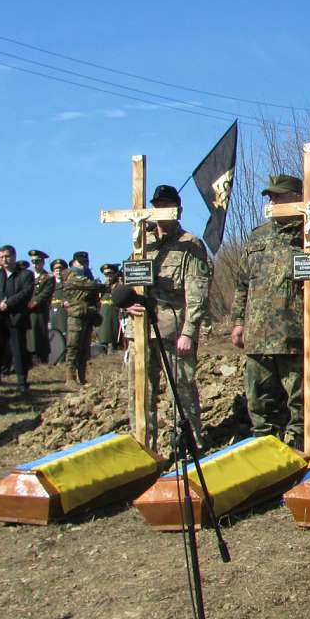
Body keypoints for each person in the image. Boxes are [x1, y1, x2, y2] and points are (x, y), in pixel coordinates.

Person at [230, 174, 310, 448]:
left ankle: (297, 448)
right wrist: (238, 322)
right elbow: (243, 282)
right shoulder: (257, 236)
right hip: (257, 334)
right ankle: (263, 447)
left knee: (300, 398)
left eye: (279, 196)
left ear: (297, 199)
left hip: (294, 332)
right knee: (258, 398)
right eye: (271, 197)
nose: (273, 201)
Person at [124, 184, 212, 452]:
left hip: (173, 331)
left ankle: (187, 447)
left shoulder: (190, 245)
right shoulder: (142, 243)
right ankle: (143, 448)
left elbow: (197, 291)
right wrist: (127, 304)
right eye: (157, 206)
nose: (161, 212)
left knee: (181, 392)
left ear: (178, 210)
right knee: (139, 392)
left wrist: (189, 331)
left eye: (167, 206)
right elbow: (126, 281)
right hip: (140, 329)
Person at [0, 244, 34, 399]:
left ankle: (22, 384)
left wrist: (9, 303)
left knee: (18, 352)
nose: (4, 259)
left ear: (14, 257)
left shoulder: (25, 274)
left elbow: (26, 293)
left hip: (16, 319)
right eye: (2, 256)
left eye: (7, 256)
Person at [61, 251, 103, 387]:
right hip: (76, 315)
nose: (84, 265)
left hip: (88, 315)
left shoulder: (88, 275)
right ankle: (70, 377)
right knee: (73, 346)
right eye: (81, 262)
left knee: (84, 348)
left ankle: (82, 377)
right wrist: (102, 286)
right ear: (74, 262)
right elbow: (88, 285)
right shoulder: (71, 275)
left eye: (85, 262)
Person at [25, 250, 54, 365]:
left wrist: (33, 302)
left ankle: (41, 357)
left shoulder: (48, 278)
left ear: (43, 262)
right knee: (28, 335)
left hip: (39, 311)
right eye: (33, 261)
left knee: (39, 333)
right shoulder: (27, 276)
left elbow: (45, 293)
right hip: (26, 311)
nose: (35, 264)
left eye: (38, 261)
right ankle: (29, 357)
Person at [96, 264, 123, 354]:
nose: (108, 277)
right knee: (103, 337)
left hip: (116, 316)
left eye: (110, 274)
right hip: (103, 316)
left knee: (116, 338)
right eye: (106, 275)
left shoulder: (119, 287)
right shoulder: (102, 288)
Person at [47, 258, 69, 365]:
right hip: (52, 315)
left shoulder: (68, 284)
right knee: (53, 337)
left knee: (64, 336)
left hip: (64, 315)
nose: (58, 271)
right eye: (56, 269)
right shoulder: (49, 285)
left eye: (61, 269)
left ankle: (65, 359)